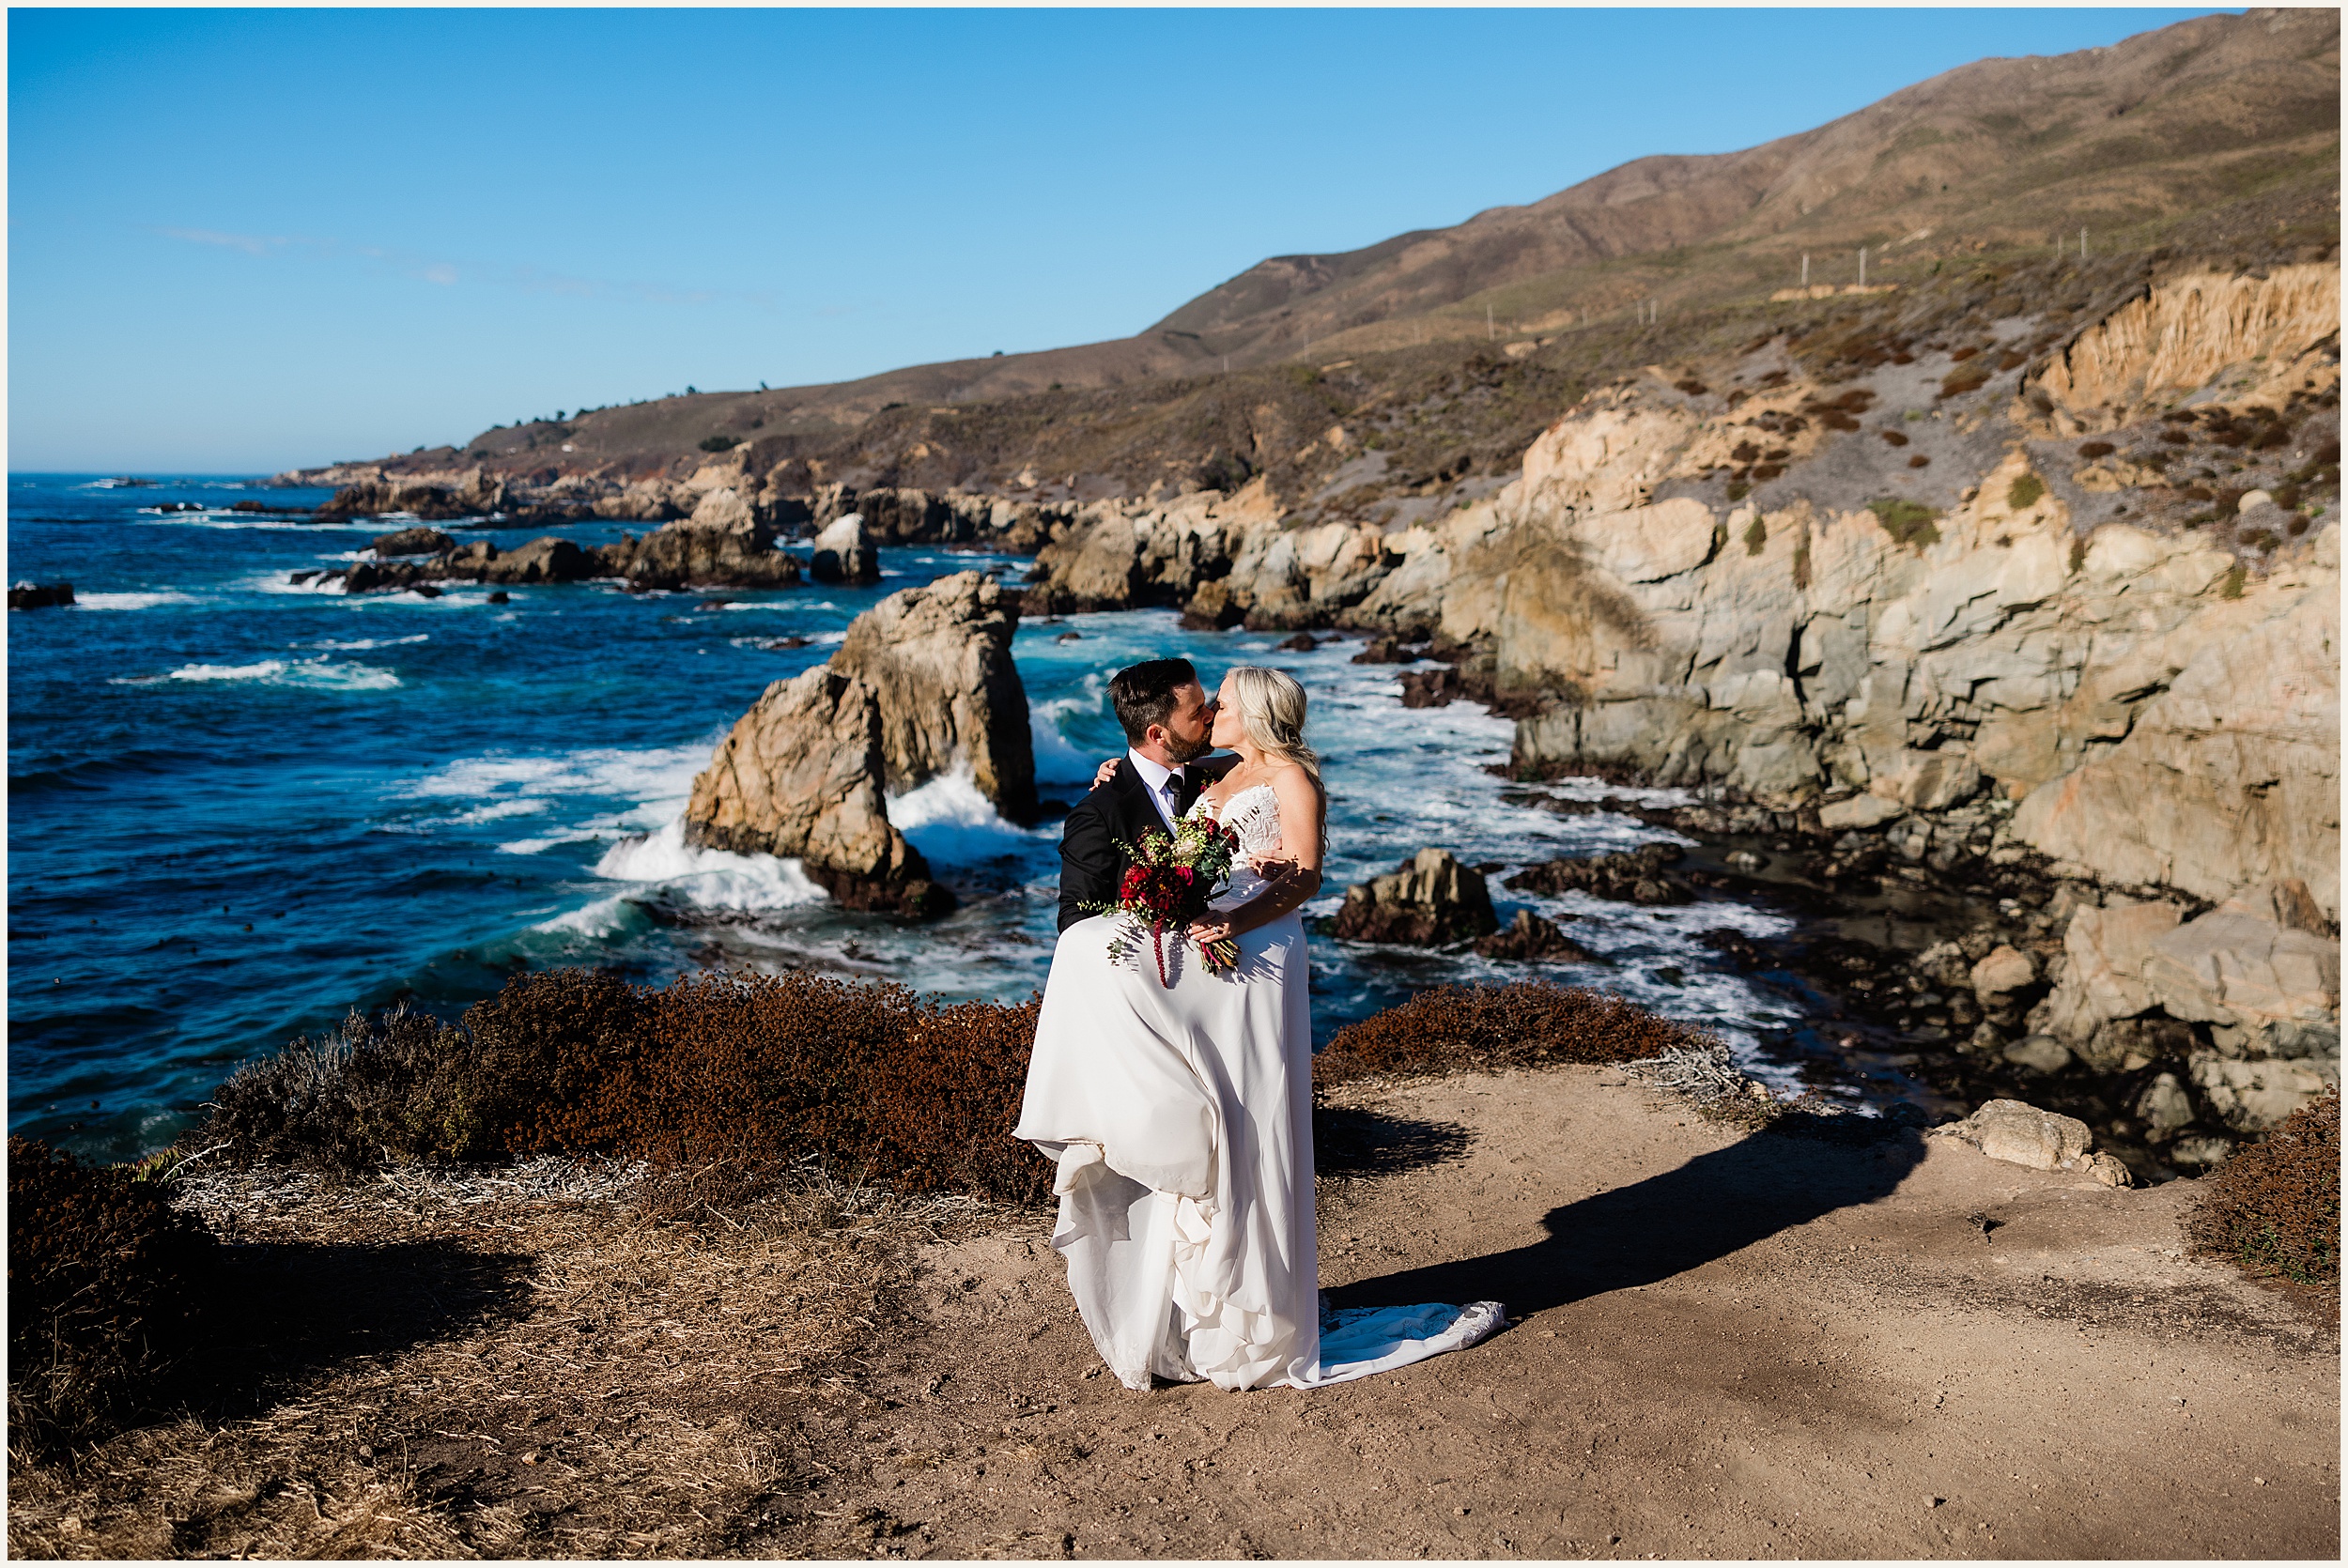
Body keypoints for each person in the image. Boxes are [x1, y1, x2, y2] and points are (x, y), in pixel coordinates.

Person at [1016, 661, 1501, 1391]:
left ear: (1255, 713)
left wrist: (1231, 916)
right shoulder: (1215, 774)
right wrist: (1117, 772)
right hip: (1214, 932)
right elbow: (1164, 781)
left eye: (1223, 701)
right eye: (1204, 704)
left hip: (1254, 944)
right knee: (1094, 959)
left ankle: (1241, 1279)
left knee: (1241, 1098)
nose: (1212, 709)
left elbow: (1306, 874)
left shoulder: (1291, 778)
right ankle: (1147, 1133)